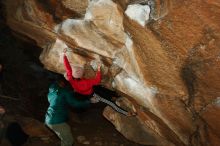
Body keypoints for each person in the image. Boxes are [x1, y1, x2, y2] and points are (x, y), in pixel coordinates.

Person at [63, 48, 136, 116]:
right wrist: (98, 70)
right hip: (93, 95)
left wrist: (64, 55)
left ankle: (114, 96)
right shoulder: (84, 83)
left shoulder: (71, 79)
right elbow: (97, 80)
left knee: (102, 88)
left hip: (89, 90)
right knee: (110, 103)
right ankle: (126, 113)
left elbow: (68, 68)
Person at [45, 75, 91, 146]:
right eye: (64, 83)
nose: (65, 85)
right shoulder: (64, 91)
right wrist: (88, 102)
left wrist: (72, 92)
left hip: (48, 119)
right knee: (68, 140)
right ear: (61, 83)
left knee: (65, 134)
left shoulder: (51, 93)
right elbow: (75, 103)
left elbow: (60, 97)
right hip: (56, 121)